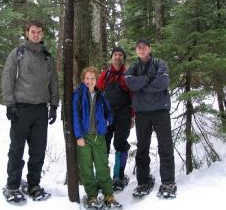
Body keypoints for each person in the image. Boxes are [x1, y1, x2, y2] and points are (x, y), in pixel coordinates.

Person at [2, 19, 59, 202]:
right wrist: (10, 104)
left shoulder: (47, 56)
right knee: (17, 149)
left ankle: (33, 184)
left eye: (39, 32)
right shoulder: (17, 53)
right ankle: (12, 186)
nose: (36, 34)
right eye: (33, 31)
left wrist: (54, 105)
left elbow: (54, 82)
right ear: (27, 33)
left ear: (42, 34)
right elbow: (8, 77)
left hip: (40, 110)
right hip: (21, 109)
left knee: (38, 150)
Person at [125, 38, 177, 198]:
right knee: (142, 148)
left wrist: (142, 86)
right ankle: (143, 181)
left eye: (144, 47)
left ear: (149, 48)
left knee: (165, 147)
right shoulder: (133, 67)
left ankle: (168, 182)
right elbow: (130, 84)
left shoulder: (160, 63)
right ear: (136, 50)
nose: (141, 50)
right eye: (138, 47)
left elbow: (163, 82)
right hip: (142, 113)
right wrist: (148, 78)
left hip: (160, 111)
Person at [72, 66, 121, 208]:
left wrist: (108, 121)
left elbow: (109, 112)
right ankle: (92, 196)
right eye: (87, 78)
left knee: (102, 167)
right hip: (84, 137)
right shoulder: (78, 94)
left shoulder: (100, 95)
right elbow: (76, 115)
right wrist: (78, 136)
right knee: (86, 168)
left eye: (92, 78)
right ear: (83, 79)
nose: (89, 81)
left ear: (96, 80)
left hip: (99, 137)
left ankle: (108, 195)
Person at [97, 46, 133, 191]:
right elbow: (98, 94)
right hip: (106, 115)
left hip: (123, 114)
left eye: (120, 55)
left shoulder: (128, 75)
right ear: (111, 58)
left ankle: (118, 177)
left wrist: (132, 116)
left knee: (120, 144)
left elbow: (133, 96)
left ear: (123, 58)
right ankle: (102, 177)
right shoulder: (105, 75)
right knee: (103, 145)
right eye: (115, 55)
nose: (117, 57)